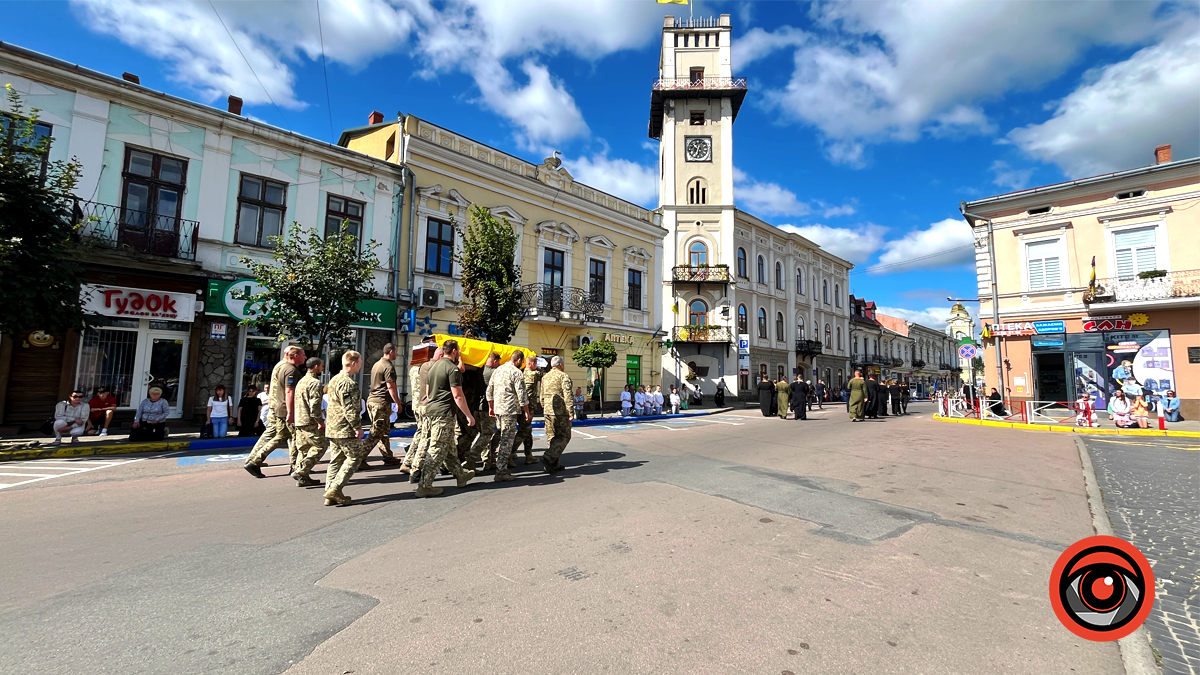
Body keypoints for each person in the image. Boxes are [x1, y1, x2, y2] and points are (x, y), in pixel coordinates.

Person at [416, 339, 476, 497]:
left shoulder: (433, 367)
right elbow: (458, 395)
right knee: (436, 449)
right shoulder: (452, 369)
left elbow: (428, 393)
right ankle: (424, 485)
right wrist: (469, 416)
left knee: (449, 448)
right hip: (444, 414)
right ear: (455, 351)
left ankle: (460, 475)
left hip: (432, 411)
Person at [244, 346, 305, 479]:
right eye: (303, 354)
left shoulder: (282, 366)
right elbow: (288, 391)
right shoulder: (288, 368)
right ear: (291, 355)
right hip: (281, 408)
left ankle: (254, 460)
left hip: (278, 407)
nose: (305, 357)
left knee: (281, 435)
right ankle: (255, 461)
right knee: (283, 436)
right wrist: (290, 411)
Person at [321, 351, 368, 506]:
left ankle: (330, 494)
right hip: (344, 428)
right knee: (355, 457)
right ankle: (335, 488)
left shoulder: (334, 379)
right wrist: (357, 427)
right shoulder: (348, 383)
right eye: (360, 362)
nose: (361, 366)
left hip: (333, 427)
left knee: (336, 460)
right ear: (353, 363)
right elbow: (350, 409)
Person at [486, 350, 530, 482]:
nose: (521, 364)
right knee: (507, 440)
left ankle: (491, 458)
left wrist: (491, 407)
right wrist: (526, 411)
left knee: (500, 434)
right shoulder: (516, 372)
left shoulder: (498, 370)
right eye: (521, 362)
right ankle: (501, 471)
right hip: (509, 410)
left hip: (498, 409)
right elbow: (522, 394)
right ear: (519, 360)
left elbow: (489, 391)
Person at [362, 344, 404, 469]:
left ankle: (388, 457)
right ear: (390, 352)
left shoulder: (377, 364)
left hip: (373, 401)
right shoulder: (388, 366)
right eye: (396, 351)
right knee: (376, 432)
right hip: (380, 403)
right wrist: (398, 402)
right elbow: (391, 386)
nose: (397, 354)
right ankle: (359, 458)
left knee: (384, 432)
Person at [404, 346, 443, 478]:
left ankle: (410, 460)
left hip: (417, 404)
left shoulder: (416, 368)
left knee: (423, 433)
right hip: (426, 405)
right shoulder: (430, 367)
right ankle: (411, 462)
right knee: (425, 435)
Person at [291, 358, 327, 487]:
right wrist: (320, 421)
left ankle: (303, 477)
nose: (323, 368)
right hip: (309, 421)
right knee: (321, 445)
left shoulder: (301, 381)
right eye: (322, 366)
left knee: (304, 449)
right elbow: (315, 405)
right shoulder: (315, 383)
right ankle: (301, 471)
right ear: (316, 366)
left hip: (299, 420)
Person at [469, 352, 502, 470]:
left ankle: (486, 460)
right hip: (487, 408)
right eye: (498, 363)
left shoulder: (478, 370)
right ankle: (472, 456)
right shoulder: (494, 373)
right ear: (494, 361)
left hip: (476, 406)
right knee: (487, 434)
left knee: (482, 433)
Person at [540, 355, 573, 472]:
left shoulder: (545, 377)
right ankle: (548, 456)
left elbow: (541, 395)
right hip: (560, 412)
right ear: (561, 365)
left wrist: (544, 407)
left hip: (547, 411)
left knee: (551, 437)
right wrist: (570, 411)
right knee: (564, 436)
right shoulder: (563, 376)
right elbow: (567, 395)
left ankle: (553, 464)